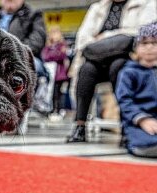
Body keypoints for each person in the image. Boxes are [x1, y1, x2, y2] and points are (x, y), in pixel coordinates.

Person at [67, 0, 157, 143]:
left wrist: (103, 37)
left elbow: (142, 34)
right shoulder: (97, 8)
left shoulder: (145, 4)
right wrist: (118, 37)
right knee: (86, 69)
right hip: (98, 60)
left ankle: (126, 126)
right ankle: (80, 126)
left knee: (119, 66)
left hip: (126, 58)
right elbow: (83, 41)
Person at [115, 22, 157, 158]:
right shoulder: (129, 72)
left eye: (154, 43)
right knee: (144, 143)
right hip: (138, 121)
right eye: (144, 43)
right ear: (136, 48)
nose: (149, 47)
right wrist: (142, 119)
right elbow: (124, 100)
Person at [0, 0, 47, 78]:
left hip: (24, 58)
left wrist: (11, 53)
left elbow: (37, 41)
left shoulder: (34, 15)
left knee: (32, 66)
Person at [41, 26, 69, 120]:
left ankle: (59, 110)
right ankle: (51, 110)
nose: (54, 35)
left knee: (59, 94)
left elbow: (61, 55)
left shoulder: (62, 45)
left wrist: (53, 55)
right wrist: (54, 54)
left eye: (56, 33)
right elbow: (45, 56)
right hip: (50, 74)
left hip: (60, 75)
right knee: (51, 93)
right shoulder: (48, 46)